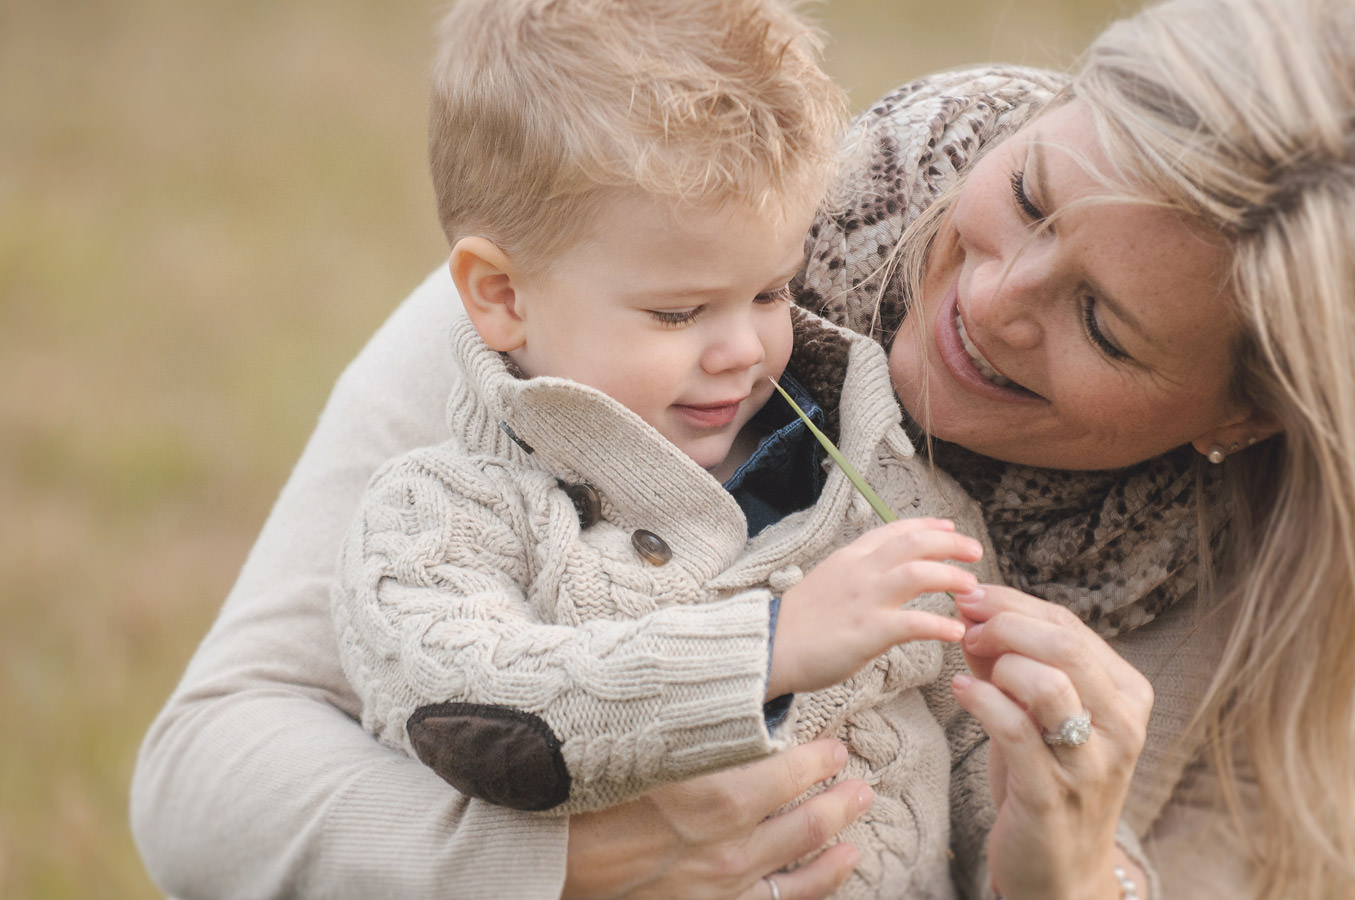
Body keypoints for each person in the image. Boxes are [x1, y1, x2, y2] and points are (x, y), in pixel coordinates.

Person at [130, 0, 1355, 897]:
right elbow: (204, 777)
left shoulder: (1257, 579)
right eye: (1030, 196)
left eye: (1101, 323)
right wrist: (564, 863)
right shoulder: (660, 233)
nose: (990, 302)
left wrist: (1071, 876)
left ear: (1239, 418)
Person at [331, 2, 992, 897]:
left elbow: (983, 768)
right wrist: (767, 647)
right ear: (501, 296)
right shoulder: (447, 511)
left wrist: (1043, 756)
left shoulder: (887, 489)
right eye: (677, 312)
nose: (743, 351)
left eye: (769, 292)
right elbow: (473, 713)